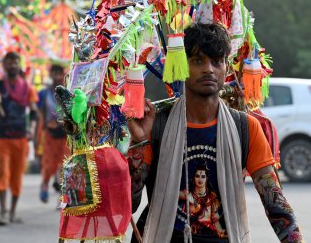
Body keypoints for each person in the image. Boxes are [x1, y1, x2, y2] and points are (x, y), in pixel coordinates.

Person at [127, 23, 303, 242]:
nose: (208, 69)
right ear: (182, 65)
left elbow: (276, 206)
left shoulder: (246, 127)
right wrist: (139, 141)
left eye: (217, 61)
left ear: (226, 68)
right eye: (198, 60)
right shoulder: (157, 125)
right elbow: (127, 205)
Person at [0, 52, 38, 225]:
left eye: (15, 62)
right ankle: (2, 211)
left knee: (17, 176)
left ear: (18, 65)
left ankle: (12, 212)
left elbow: (34, 111)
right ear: (4, 65)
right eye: (9, 62)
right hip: (2, 137)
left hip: (20, 138)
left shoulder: (27, 88)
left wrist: (32, 130)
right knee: (2, 173)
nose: (12, 65)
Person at [37, 64, 69, 203]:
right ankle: (44, 184)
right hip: (50, 134)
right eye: (54, 73)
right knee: (49, 164)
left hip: (65, 134)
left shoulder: (69, 92)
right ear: (50, 75)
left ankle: (62, 195)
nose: (56, 76)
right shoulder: (44, 94)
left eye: (59, 73)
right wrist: (37, 136)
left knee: (65, 165)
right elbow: (41, 115)